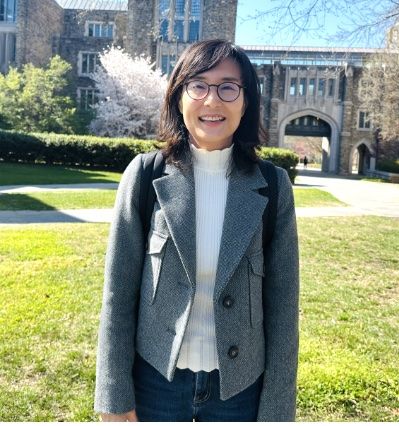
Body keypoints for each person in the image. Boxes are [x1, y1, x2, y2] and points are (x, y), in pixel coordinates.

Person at [94, 39, 299, 422]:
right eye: (198, 85)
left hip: (238, 390)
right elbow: (117, 295)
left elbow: (283, 310)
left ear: (246, 101)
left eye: (228, 87)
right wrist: (113, 398)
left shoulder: (273, 185)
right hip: (155, 381)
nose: (212, 101)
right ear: (179, 96)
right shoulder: (145, 175)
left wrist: (277, 413)